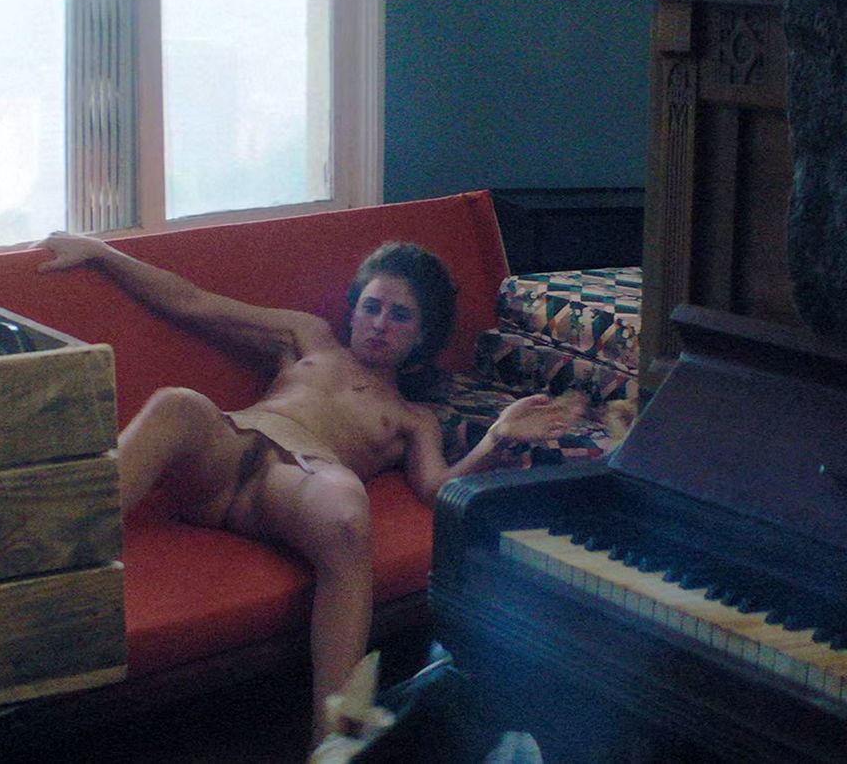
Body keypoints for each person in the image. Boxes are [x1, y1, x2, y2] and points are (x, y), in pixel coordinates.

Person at [36, 234, 579, 735]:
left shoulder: (411, 418)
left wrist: (494, 441)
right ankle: (32, 562)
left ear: (421, 338)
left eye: (400, 316)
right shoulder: (308, 337)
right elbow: (193, 301)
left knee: (347, 510)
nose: (379, 324)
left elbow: (438, 489)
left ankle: (332, 741)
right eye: (371, 306)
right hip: (226, 449)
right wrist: (100, 252)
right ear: (354, 308)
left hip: (294, 485)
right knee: (175, 404)